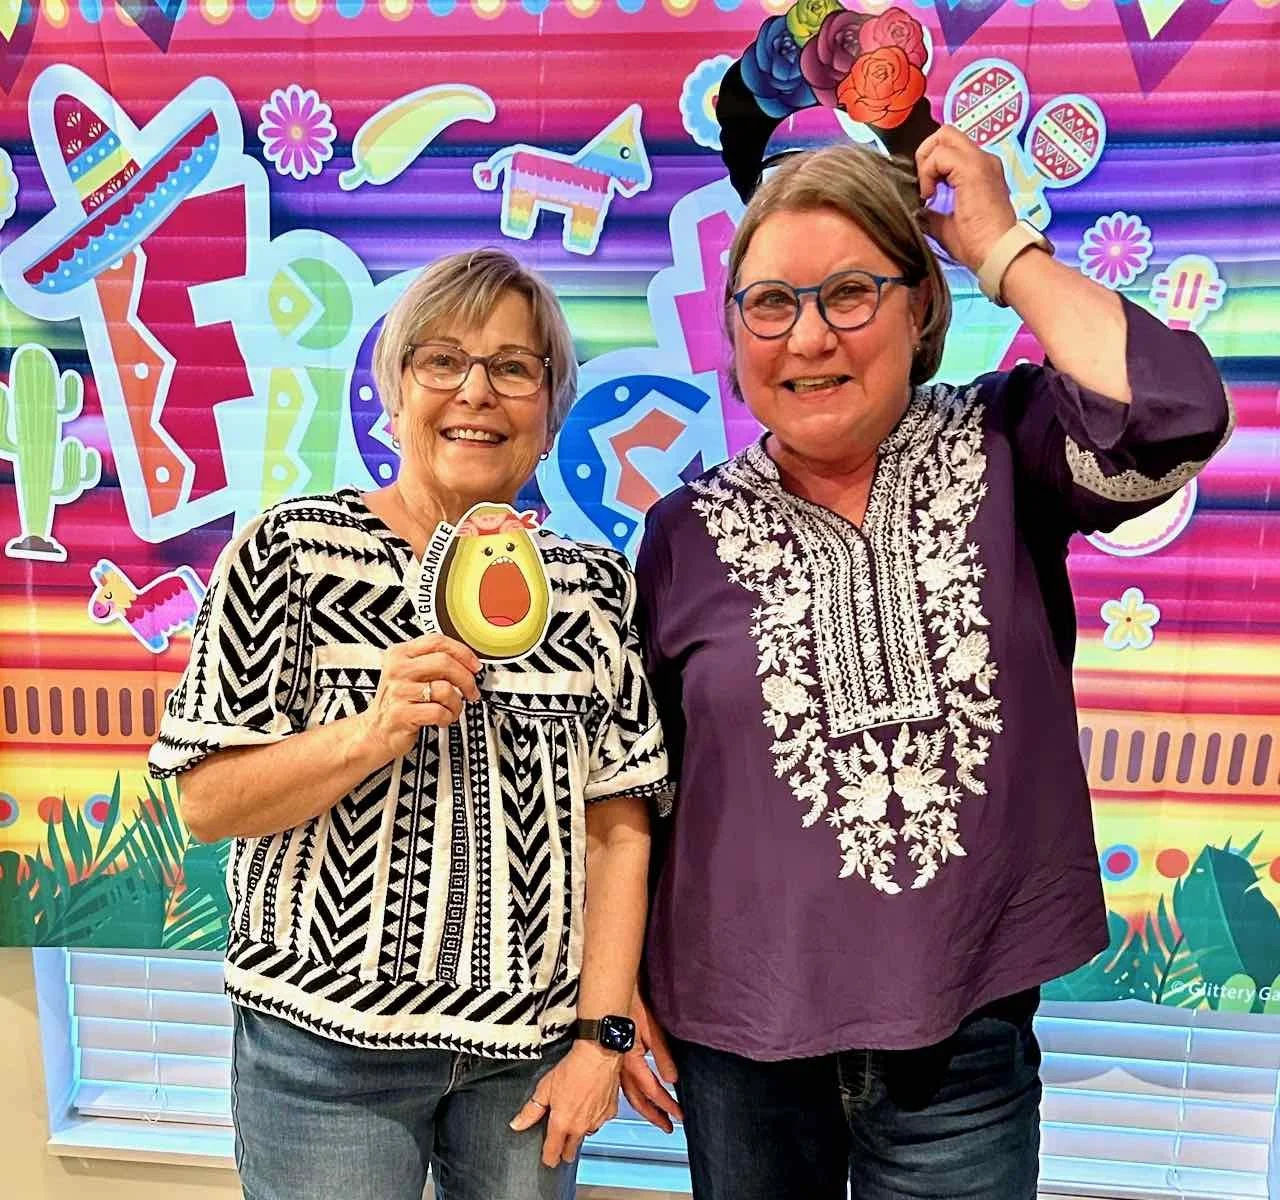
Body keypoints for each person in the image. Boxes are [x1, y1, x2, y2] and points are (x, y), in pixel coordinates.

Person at [621, 129, 1231, 1199]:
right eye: (770, 304)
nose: (807, 337)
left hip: (961, 1031)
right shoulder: (681, 534)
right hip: (739, 1042)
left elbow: (1169, 413)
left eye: (849, 294)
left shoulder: (1006, 448)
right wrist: (609, 999)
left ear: (919, 312)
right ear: (732, 337)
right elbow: (635, 791)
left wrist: (998, 244)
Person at [149, 248, 670, 1200]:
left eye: (515, 368)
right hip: (324, 1057)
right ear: (395, 394)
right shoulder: (289, 553)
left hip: (530, 1055)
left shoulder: (594, 588)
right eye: (442, 361)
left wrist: (602, 1037)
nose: (478, 391)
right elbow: (207, 801)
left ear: (549, 415)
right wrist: (370, 729)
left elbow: (619, 825)